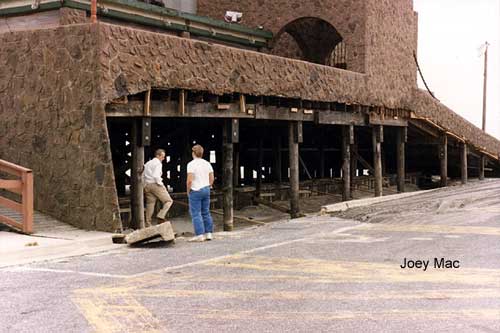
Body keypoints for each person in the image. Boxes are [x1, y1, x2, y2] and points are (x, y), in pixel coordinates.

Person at [186, 144, 214, 242]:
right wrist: (209, 185)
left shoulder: (191, 164)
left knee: (196, 213)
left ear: (193, 153)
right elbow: (211, 178)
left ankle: (199, 235)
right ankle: (209, 233)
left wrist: (188, 190)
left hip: (196, 190)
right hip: (206, 189)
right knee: (206, 212)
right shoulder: (207, 163)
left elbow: (189, 180)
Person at [143, 149, 173, 227]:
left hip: (147, 185)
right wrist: (161, 184)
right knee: (168, 201)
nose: (163, 159)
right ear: (158, 155)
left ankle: (148, 223)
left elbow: (142, 175)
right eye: (162, 157)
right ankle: (161, 216)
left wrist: (144, 185)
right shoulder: (158, 163)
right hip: (155, 184)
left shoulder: (147, 163)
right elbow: (156, 175)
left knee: (150, 204)